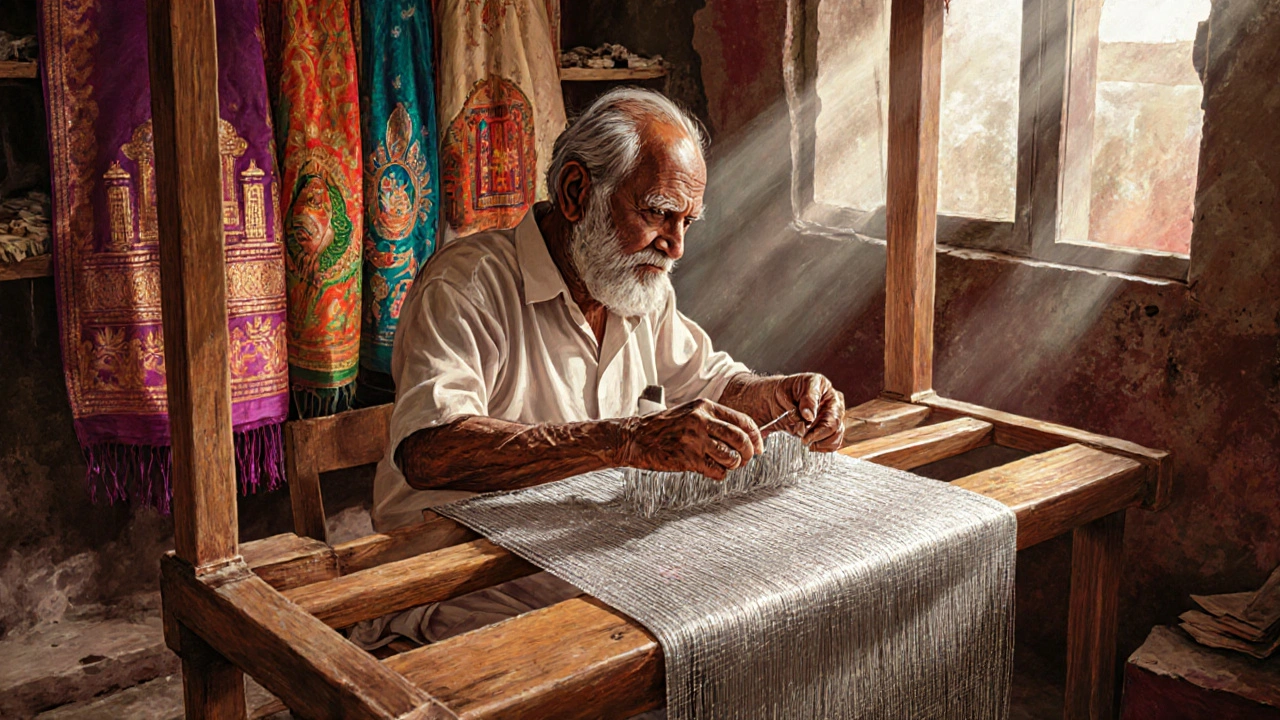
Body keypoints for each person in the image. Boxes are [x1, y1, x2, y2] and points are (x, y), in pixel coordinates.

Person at [358, 87, 846, 648]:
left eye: (688, 221)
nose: (676, 247)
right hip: (456, 575)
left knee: (750, 604)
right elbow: (430, 452)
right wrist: (627, 441)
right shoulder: (466, 285)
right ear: (575, 193)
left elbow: (713, 381)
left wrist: (784, 396)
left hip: (572, 557)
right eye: (660, 213)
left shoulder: (638, 287)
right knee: (675, 631)